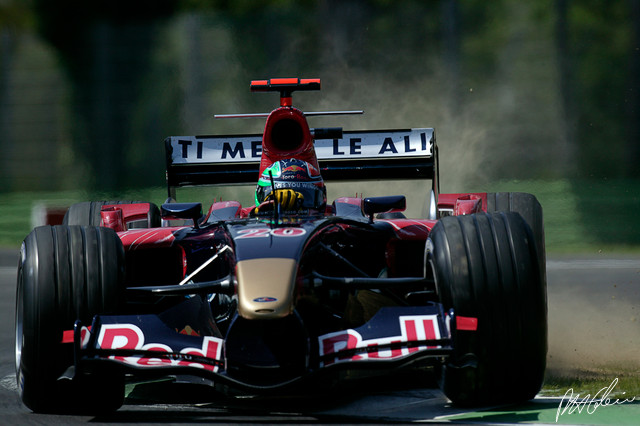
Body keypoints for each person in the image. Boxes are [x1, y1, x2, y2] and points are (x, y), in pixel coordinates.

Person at [253, 158, 327, 215]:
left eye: (306, 198)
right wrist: (256, 214)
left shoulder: (333, 218)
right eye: (275, 198)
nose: (292, 211)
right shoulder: (247, 216)